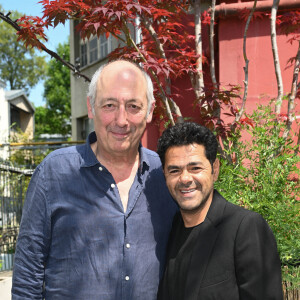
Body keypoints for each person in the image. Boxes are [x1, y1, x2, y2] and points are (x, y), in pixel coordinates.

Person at [12, 60, 178, 300]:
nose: (121, 120)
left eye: (133, 106)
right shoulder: (54, 173)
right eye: (109, 105)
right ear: (91, 107)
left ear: (150, 110)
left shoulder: (165, 175)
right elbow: (28, 276)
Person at [157, 122, 283, 300]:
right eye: (174, 170)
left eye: (195, 168)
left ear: (214, 169)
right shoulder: (172, 228)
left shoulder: (245, 228)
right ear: (165, 175)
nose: (185, 178)